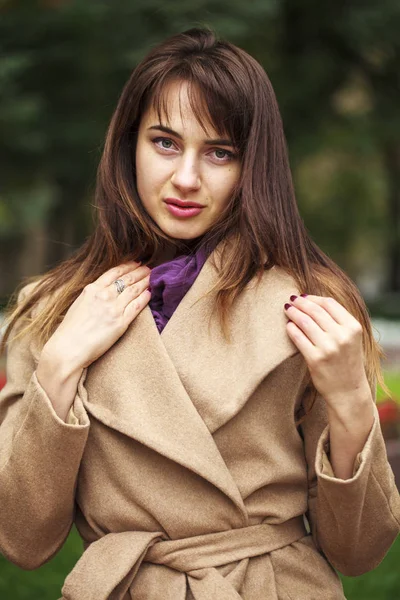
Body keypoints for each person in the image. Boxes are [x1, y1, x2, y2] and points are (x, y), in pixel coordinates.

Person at [0, 27, 399, 600]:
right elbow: (22, 540)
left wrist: (352, 401)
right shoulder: (53, 311)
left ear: (252, 167)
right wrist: (60, 365)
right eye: (164, 142)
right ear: (127, 145)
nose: (186, 178)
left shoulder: (310, 305)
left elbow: (359, 553)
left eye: (219, 153)